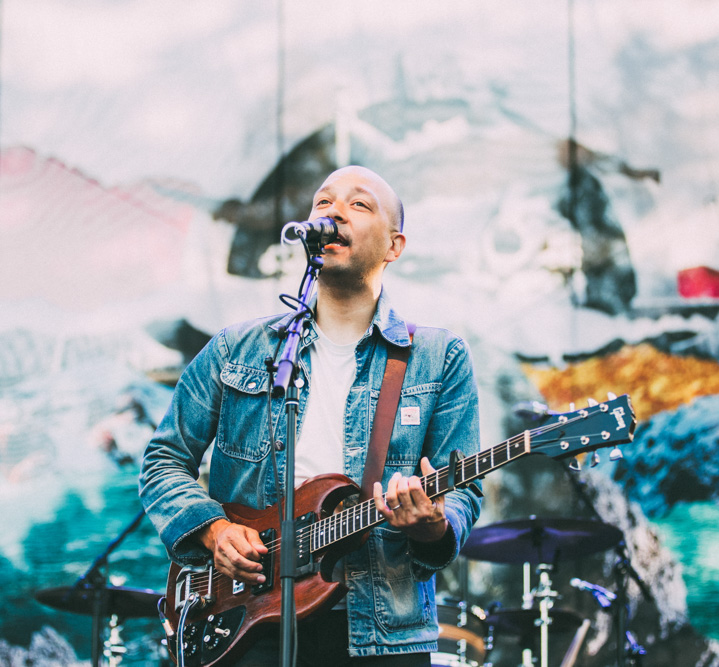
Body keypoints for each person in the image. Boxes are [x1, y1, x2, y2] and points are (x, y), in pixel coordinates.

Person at [139, 165, 482, 665]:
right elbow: (163, 459)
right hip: (244, 617)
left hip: (381, 632)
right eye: (323, 202)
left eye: (359, 204)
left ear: (394, 245)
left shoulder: (439, 356)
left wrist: (431, 526)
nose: (333, 211)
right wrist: (214, 530)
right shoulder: (238, 348)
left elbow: (464, 491)